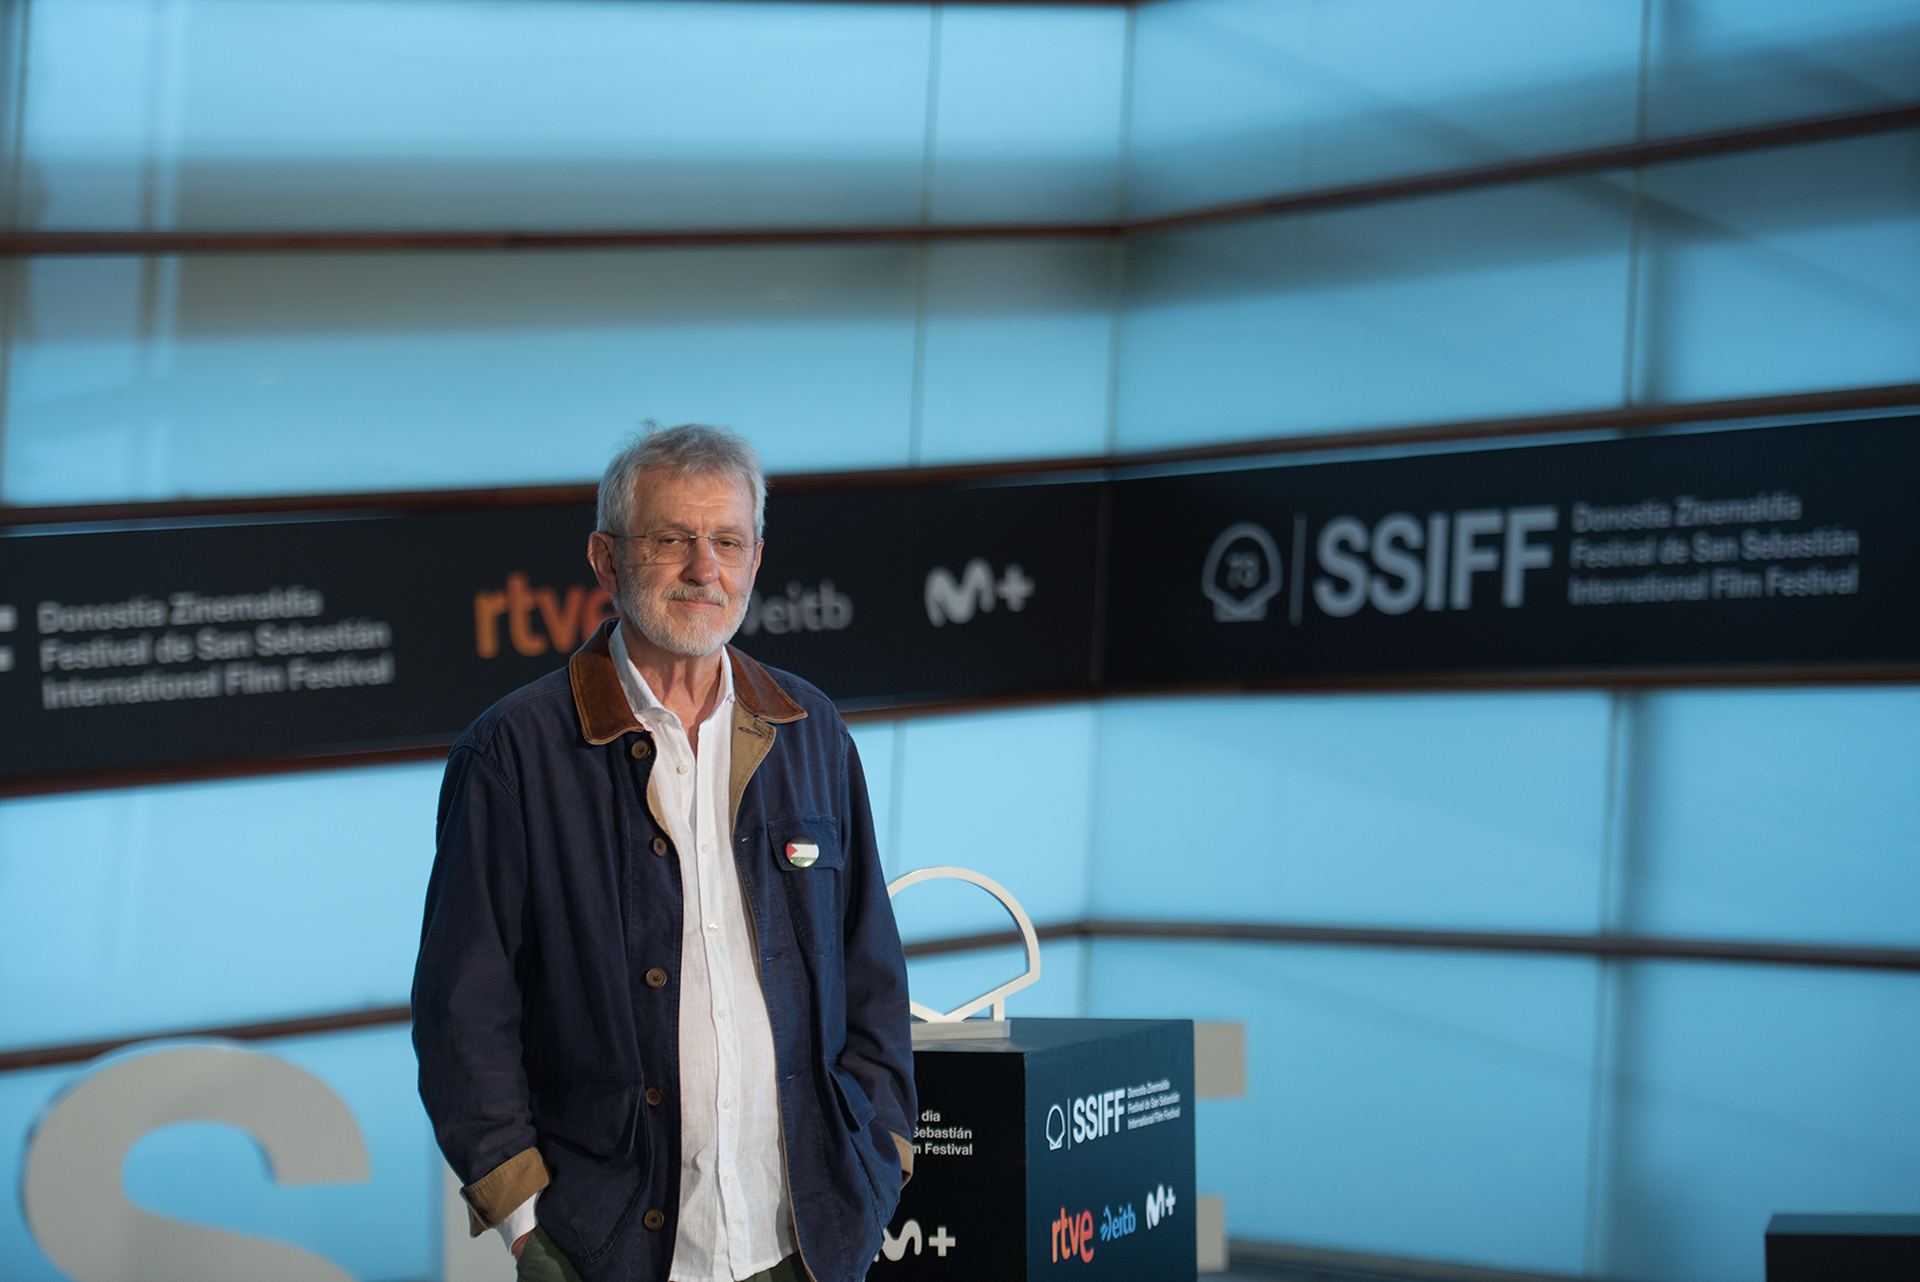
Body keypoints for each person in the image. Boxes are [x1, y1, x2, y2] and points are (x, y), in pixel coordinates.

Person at [413, 424, 915, 1282]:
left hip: (806, 1245)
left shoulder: (811, 731)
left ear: (756, 560)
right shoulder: (513, 752)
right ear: (606, 560)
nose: (703, 568)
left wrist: (879, 1159)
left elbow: (871, 971)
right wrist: (527, 1225)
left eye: (728, 542)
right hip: (607, 1252)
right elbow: (464, 1011)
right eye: (672, 540)